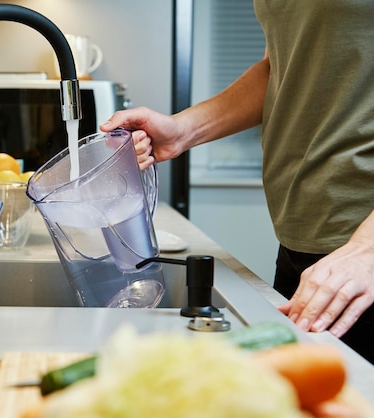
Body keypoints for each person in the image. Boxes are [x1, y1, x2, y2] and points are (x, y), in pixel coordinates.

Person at [101, 1, 374, 364]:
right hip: (305, 242)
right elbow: (282, 68)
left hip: (362, 259)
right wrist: (181, 131)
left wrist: (368, 250)